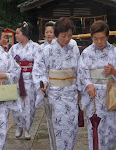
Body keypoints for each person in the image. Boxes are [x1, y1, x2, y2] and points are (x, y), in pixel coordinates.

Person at [32, 17, 80, 150]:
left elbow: (79, 70)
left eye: (69, 35)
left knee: (72, 128)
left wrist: (80, 90)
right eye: (64, 36)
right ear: (56, 34)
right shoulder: (45, 50)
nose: (67, 39)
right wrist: (43, 82)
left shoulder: (73, 47)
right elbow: (39, 71)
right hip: (55, 95)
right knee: (57, 129)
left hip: (71, 94)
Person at [77, 20, 116, 150]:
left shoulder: (114, 51)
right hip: (94, 96)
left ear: (107, 36)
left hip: (111, 96)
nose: (99, 42)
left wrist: (113, 72)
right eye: (95, 38)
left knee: (111, 131)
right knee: (95, 130)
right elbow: (82, 73)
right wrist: (88, 85)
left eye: (102, 38)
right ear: (91, 37)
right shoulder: (87, 53)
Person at [8, 21, 40, 140]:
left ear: (25, 33)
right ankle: (18, 126)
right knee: (17, 105)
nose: (15, 35)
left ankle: (27, 128)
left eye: (17, 33)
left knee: (29, 105)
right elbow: (9, 63)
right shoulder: (13, 48)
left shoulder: (36, 47)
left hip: (30, 79)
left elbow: (38, 64)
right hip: (17, 80)